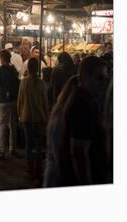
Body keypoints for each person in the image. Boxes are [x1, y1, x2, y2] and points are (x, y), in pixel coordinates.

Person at [45, 56, 109, 187]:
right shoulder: (82, 105)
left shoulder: (73, 104)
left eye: (106, 79)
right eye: (100, 78)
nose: (104, 84)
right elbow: (79, 153)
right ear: (85, 76)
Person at [17, 58, 49, 183]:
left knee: (29, 146)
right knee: (39, 145)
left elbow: (20, 101)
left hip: (26, 117)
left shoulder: (23, 82)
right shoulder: (41, 83)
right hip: (39, 118)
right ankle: (38, 170)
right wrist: (46, 116)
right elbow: (45, 102)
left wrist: (19, 114)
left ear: (28, 68)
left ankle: (30, 170)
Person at [0, 50, 20, 159]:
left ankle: (2, 150)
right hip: (13, 100)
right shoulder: (14, 70)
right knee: (13, 125)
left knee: (2, 125)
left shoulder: (0, 70)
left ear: (2, 58)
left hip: (4, 100)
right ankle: (12, 148)